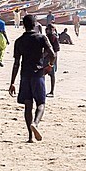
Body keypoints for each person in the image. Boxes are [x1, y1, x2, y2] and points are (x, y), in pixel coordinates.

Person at [9, 14, 55, 143]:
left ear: (23, 25)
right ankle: (35, 123)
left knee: (28, 105)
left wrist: (12, 82)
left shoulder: (19, 41)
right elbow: (52, 54)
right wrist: (49, 66)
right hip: (38, 74)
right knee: (41, 103)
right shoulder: (41, 38)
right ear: (35, 25)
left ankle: (30, 136)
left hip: (25, 76)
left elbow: (16, 63)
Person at [45, 24, 60, 97]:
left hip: (51, 58)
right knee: (42, 74)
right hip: (45, 58)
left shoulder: (54, 38)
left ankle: (52, 91)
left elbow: (56, 50)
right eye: (47, 29)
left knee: (52, 75)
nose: (48, 31)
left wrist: (54, 61)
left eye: (50, 29)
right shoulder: (45, 37)